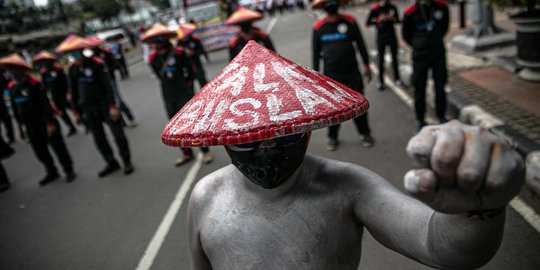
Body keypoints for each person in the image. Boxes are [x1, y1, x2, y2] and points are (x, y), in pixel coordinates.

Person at [161, 42, 525, 269]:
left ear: (305, 129)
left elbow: (439, 245)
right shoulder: (205, 195)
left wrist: (478, 211)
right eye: (251, 138)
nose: (268, 147)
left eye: (284, 133)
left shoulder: (349, 186)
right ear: (225, 139)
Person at [57, 35, 134, 177]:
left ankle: (127, 161)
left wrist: (112, 106)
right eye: (72, 53)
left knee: (118, 135)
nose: (75, 55)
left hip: (105, 105)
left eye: (77, 52)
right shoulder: (73, 69)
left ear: (83, 51)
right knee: (99, 138)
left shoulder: (97, 64)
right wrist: (76, 112)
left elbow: (108, 86)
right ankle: (111, 162)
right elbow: (73, 92)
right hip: (88, 109)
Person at [142, 24, 213, 166]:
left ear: (165, 39)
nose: (155, 44)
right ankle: (186, 153)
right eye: (153, 41)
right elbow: (158, 76)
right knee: (175, 126)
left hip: (184, 94)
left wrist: (186, 87)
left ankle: (204, 151)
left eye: (158, 40)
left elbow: (191, 72)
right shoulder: (153, 58)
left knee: (192, 124)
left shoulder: (179, 53)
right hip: (168, 96)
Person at [0, 54, 76, 186]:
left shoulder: (34, 83)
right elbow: (16, 110)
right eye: (9, 70)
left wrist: (49, 123)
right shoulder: (12, 87)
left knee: (58, 148)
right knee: (40, 151)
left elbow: (45, 105)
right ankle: (51, 171)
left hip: (44, 122)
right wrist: (20, 128)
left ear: (21, 70)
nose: (11, 72)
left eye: (14, 69)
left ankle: (69, 170)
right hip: (30, 126)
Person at [311, 0, 373, 150]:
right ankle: (332, 137)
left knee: (359, 105)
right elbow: (315, 53)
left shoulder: (350, 21)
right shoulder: (318, 27)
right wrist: (315, 77)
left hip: (352, 72)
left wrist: (366, 64)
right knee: (333, 109)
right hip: (331, 75)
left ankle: (365, 133)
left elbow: (361, 44)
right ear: (324, 8)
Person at [402, 0, 449, 131]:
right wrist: (419, 44)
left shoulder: (441, 7)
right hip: (420, 56)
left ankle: (441, 115)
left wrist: (435, 39)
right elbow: (406, 35)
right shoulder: (410, 12)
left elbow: (444, 27)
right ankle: (421, 119)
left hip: (438, 53)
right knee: (419, 87)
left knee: (440, 85)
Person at [87, 37, 137, 128]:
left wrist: (108, 70)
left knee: (117, 100)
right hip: (100, 84)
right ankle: (121, 122)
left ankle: (130, 117)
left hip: (110, 80)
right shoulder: (90, 59)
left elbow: (114, 64)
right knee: (110, 102)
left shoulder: (106, 53)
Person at [32, 51, 78, 136]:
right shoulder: (44, 73)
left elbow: (66, 81)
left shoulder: (58, 69)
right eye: (43, 62)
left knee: (74, 108)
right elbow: (45, 86)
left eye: (47, 61)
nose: (45, 64)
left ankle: (84, 121)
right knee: (62, 113)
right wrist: (49, 98)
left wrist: (69, 92)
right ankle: (71, 127)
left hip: (64, 94)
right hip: (55, 96)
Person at [366, 0, 404, 91]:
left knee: (395, 58)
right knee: (381, 59)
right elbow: (368, 23)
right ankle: (381, 81)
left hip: (392, 36)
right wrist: (379, 19)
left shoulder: (392, 7)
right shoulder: (375, 8)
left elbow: (398, 20)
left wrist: (392, 19)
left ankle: (397, 78)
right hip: (381, 37)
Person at [177, 24, 210, 90]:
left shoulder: (195, 40)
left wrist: (194, 53)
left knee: (202, 80)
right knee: (189, 84)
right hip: (187, 66)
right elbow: (178, 55)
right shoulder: (179, 43)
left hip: (196, 63)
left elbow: (201, 50)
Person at [0, 70, 15, 143]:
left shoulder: (4, 72)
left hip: (4, 97)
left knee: (6, 117)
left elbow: (10, 81)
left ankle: (11, 136)